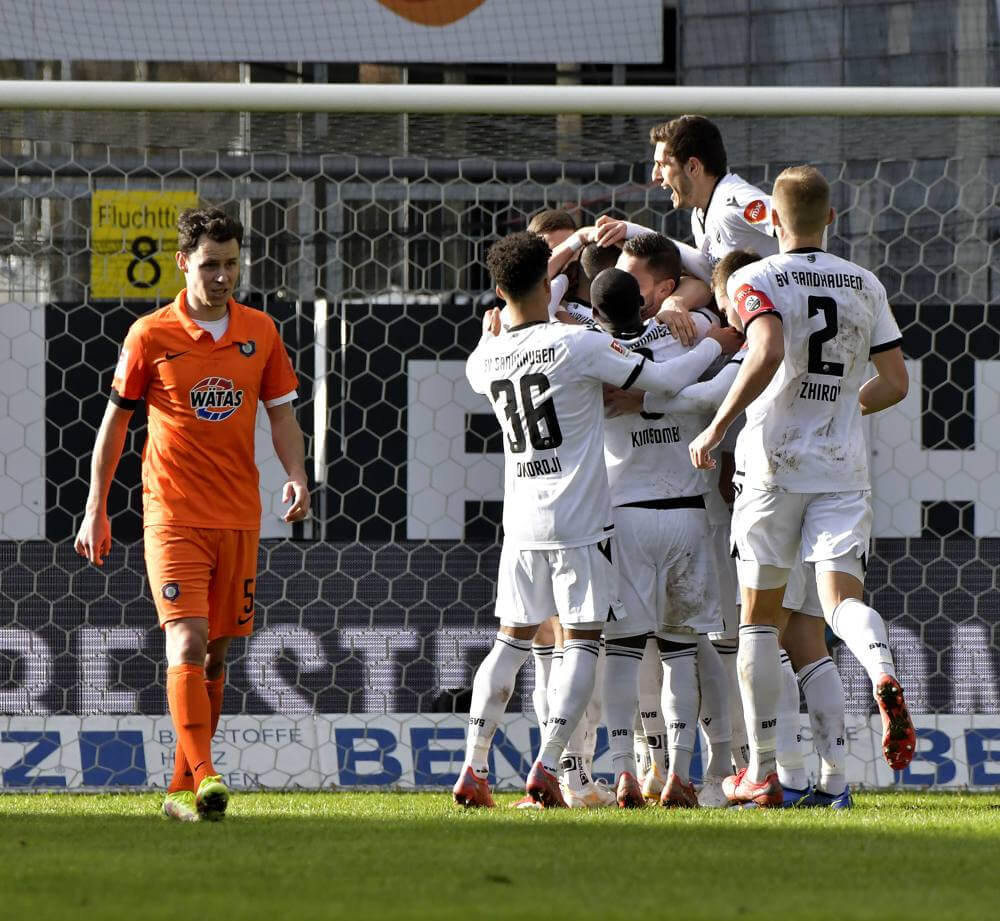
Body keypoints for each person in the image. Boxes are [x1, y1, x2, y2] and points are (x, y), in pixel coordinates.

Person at [452, 231, 740, 808]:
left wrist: (567, 251)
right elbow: (662, 381)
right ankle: (546, 764)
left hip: (521, 525)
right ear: (548, 283)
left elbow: (536, 287)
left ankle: (474, 767)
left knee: (509, 644)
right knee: (583, 643)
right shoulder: (576, 345)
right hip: (581, 522)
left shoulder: (484, 356)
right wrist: (721, 341)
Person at [688, 166, 914, 807]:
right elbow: (895, 383)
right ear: (831, 220)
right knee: (836, 608)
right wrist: (843, 410)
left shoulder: (756, 278)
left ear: (775, 222)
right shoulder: (865, 284)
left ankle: (761, 770)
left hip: (773, 468)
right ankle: (877, 676)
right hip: (841, 470)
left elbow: (762, 353)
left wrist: (718, 429)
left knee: (760, 621)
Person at [74, 207, 309, 822]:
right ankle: (206, 772)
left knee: (218, 655)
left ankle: (183, 790)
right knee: (187, 637)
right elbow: (116, 422)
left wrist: (296, 475)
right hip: (172, 514)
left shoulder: (260, 330)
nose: (224, 275)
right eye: (211, 264)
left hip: (238, 515)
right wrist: (95, 508)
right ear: (183, 263)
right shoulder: (150, 335)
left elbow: (281, 414)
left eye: (232, 263)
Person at [590, 266, 739, 809]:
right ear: (648, 303)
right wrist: (708, 332)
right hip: (685, 515)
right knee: (682, 652)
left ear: (598, 311)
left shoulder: (589, 349)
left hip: (624, 516)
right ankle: (680, 774)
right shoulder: (682, 343)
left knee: (624, 652)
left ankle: (625, 771)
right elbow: (706, 388)